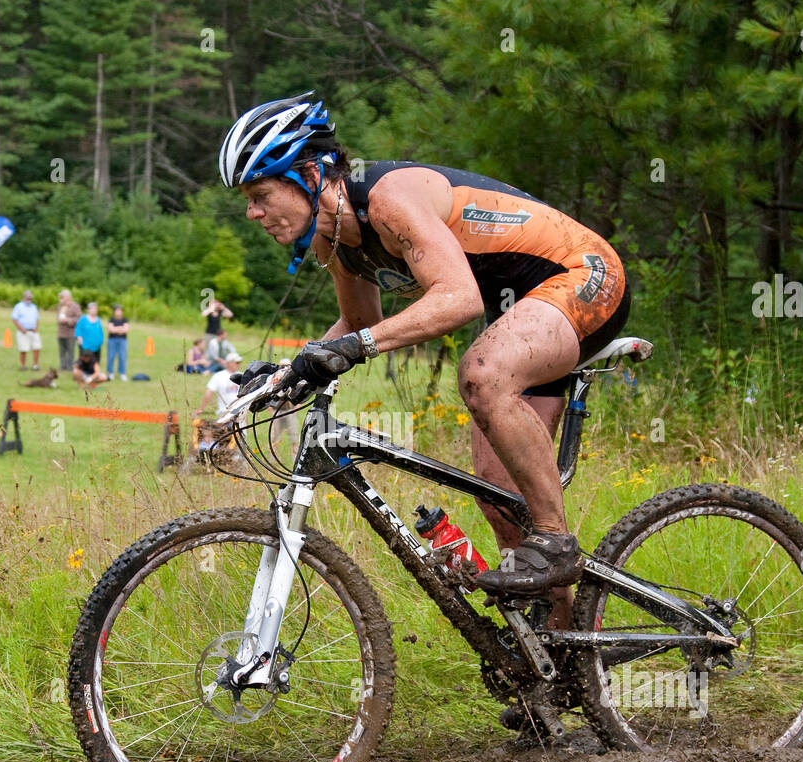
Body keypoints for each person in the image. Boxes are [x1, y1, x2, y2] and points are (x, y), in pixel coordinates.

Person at [220, 92, 631, 615]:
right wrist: (286, 374)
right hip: (523, 312)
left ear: (306, 173)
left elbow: (457, 298)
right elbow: (360, 323)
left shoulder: (389, 199)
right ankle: (560, 660)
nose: (252, 213)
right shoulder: (334, 238)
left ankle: (557, 538)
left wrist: (354, 348)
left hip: (582, 274)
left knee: (482, 373)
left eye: (259, 194)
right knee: (500, 497)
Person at [11, 290, 41, 371]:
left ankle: (35, 365)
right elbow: (14, 319)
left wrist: (36, 328)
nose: (29, 299)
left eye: (30, 298)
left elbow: (37, 319)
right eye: (28, 298)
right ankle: (23, 366)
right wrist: (22, 329)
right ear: (24, 297)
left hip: (33, 331)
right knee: (23, 349)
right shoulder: (18, 306)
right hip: (23, 332)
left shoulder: (34, 307)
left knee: (37, 348)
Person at [56, 289, 81, 371]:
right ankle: (63, 366)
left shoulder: (75, 306)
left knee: (70, 352)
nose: (60, 298)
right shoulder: (60, 306)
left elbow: (79, 319)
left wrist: (68, 320)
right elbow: (58, 317)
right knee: (62, 351)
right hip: (61, 333)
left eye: (62, 296)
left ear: (67, 297)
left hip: (71, 333)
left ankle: (70, 367)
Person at [105, 305, 129, 381]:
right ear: (114, 311)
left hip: (122, 340)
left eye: (120, 310)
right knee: (111, 356)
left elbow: (126, 330)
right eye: (117, 310)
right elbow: (111, 330)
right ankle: (110, 373)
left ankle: (122, 373)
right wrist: (120, 328)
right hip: (112, 340)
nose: (118, 312)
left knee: (122, 357)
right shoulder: (111, 319)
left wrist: (116, 329)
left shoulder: (125, 320)